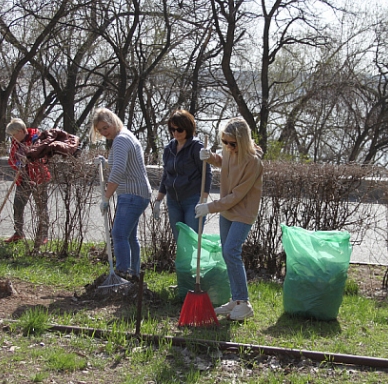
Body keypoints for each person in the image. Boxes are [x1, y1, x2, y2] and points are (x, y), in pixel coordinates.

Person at [194, 117, 263, 321]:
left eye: (232, 143)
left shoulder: (253, 162)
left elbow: (236, 196)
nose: (228, 146)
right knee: (227, 253)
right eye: (224, 142)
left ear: (242, 141)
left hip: (243, 212)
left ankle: (244, 303)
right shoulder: (228, 150)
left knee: (231, 251)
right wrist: (211, 157)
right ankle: (236, 299)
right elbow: (225, 163)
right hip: (227, 211)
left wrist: (210, 207)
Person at [90, 107, 152, 280]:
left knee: (118, 234)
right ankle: (134, 274)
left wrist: (106, 197)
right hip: (138, 193)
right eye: (100, 130)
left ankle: (123, 273)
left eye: (105, 127)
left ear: (113, 121)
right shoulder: (126, 136)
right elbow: (121, 164)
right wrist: (106, 162)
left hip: (132, 194)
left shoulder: (120, 140)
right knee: (130, 237)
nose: (104, 132)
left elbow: (118, 171)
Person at [153, 109, 212, 241]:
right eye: (172, 129)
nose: (175, 133)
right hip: (173, 201)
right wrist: (158, 200)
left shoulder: (196, 147)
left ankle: (192, 262)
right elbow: (166, 176)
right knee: (179, 240)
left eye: (179, 129)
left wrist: (203, 200)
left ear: (188, 128)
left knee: (191, 240)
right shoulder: (169, 149)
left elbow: (207, 174)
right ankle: (182, 262)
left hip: (192, 200)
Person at [5, 118, 50, 247]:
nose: (13, 137)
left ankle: (43, 236)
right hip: (23, 178)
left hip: (39, 178)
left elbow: (45, 156)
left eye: (14, 134)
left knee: (41, 208)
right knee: (18, 205)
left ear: (20, 131)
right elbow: (11, 159)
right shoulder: (15, 143)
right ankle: (18, 232)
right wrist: (18, 164)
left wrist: (31, 157)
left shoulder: (37, 137)